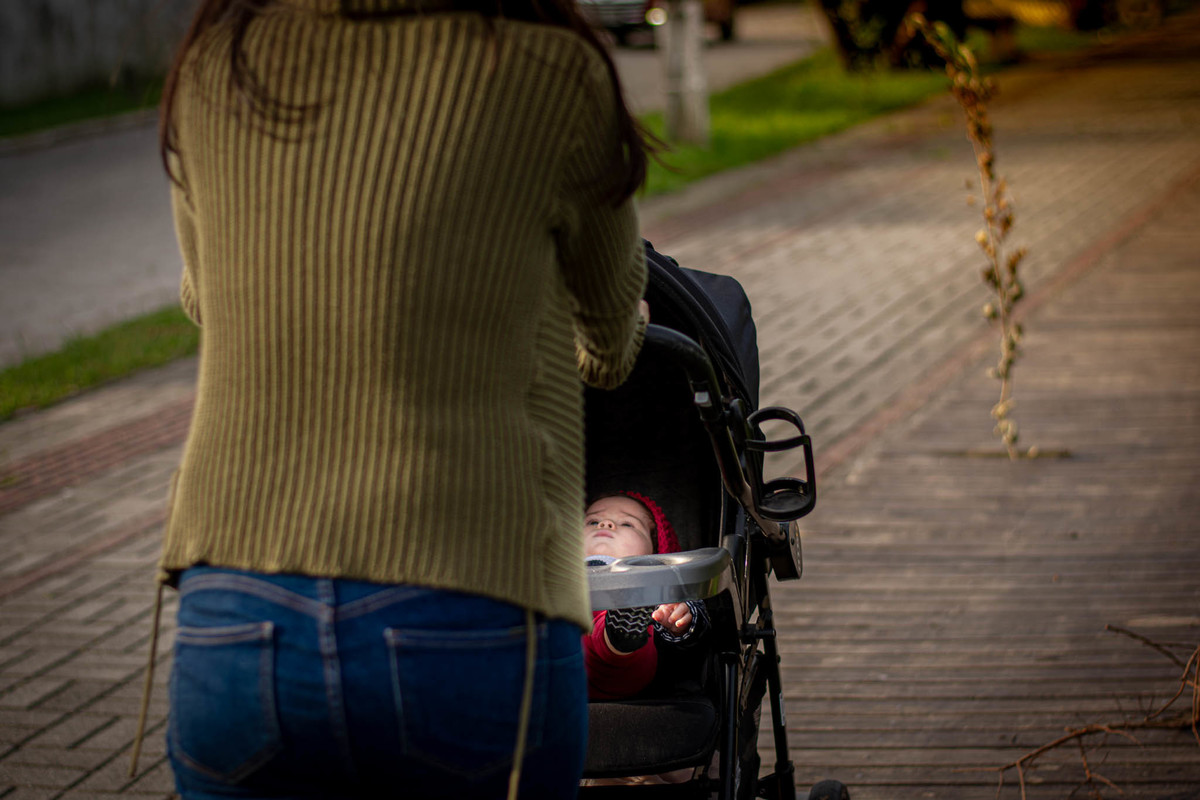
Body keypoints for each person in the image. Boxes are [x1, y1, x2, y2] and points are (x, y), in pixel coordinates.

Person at [130, 0, 657, 798]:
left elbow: (206, 298)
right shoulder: (549, 67)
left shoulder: (217, 59)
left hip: (237, 606)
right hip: (472, 600)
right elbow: (610, 349)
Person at [582, 493, 710, 700]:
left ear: (654, 551)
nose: (605, 524)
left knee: (646, 602)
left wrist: (680, 616)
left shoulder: (657, 582)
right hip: (548, 658)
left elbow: (692, 637)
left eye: (627, 524)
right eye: (592, 521)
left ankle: (622, 632)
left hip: (617, 669)